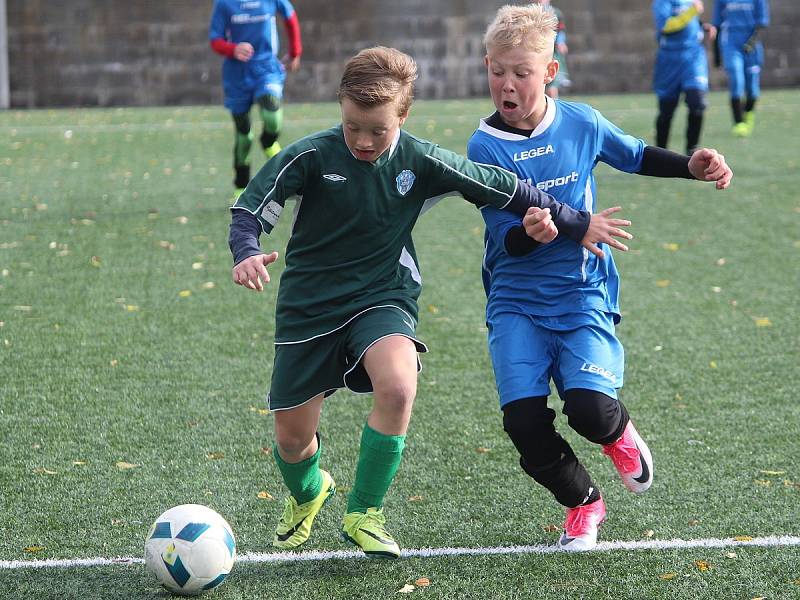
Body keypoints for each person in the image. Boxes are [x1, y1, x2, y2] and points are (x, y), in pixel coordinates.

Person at [228, 46, 632, 558]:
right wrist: (245, 252)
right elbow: (250, 209)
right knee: (291, 440)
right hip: (308, 307)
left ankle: (365, 513)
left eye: (378, 129)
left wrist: (576, 223)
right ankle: (311, 492)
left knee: (398, 383)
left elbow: (507, 188)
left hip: (382, 296)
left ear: (403, 115)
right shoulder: (311, 155)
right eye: (353, 127)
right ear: (341, 110)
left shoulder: (420, 159)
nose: (364, 140)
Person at [467, 4, 733, 552]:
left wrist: (691, 165)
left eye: (521, 72)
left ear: (549, 73)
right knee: (524, 425)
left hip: (583, 292)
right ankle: (583, 505)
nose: (507, 85)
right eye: (498, 71)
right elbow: (505, 240)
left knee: (590, 410)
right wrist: (535, 233)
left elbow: (634, 155)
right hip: (515, 302)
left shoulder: (582, 123)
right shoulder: (484, 148)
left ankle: (618, 435)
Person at [209, 0, 303, 198]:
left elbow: (290, 17)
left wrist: (295, 52)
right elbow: (215, 40)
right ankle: (241, 186)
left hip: (266, 69)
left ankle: (269, 142)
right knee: (244, 137)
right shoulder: (224, 3)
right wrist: (232, 49)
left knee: (272, 116)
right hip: (237, 75)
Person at [652, 0, 715, 155]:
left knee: (697, 102)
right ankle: (660, 153)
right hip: (670, 60)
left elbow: (689, 20)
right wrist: (692, 12)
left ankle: (691, 152)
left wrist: (701, 26)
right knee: (666, 110)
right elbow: (666, 26)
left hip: (693, 57)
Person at [712, 0, 770, 137]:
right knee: (736, 79)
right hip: (731, 43)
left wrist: (751, 42)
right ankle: (738, 122)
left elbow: (762, 23)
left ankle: (748, 114)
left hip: (751, 45)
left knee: (752, 90)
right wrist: (716, 54)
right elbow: (717, 25)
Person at [535, 0, 571, 99]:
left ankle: (561, 79)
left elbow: (561, 30)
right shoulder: (529, 11)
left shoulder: (556, 13)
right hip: (535, 50)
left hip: (550, 49)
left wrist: (561, 42)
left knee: (551, 81)